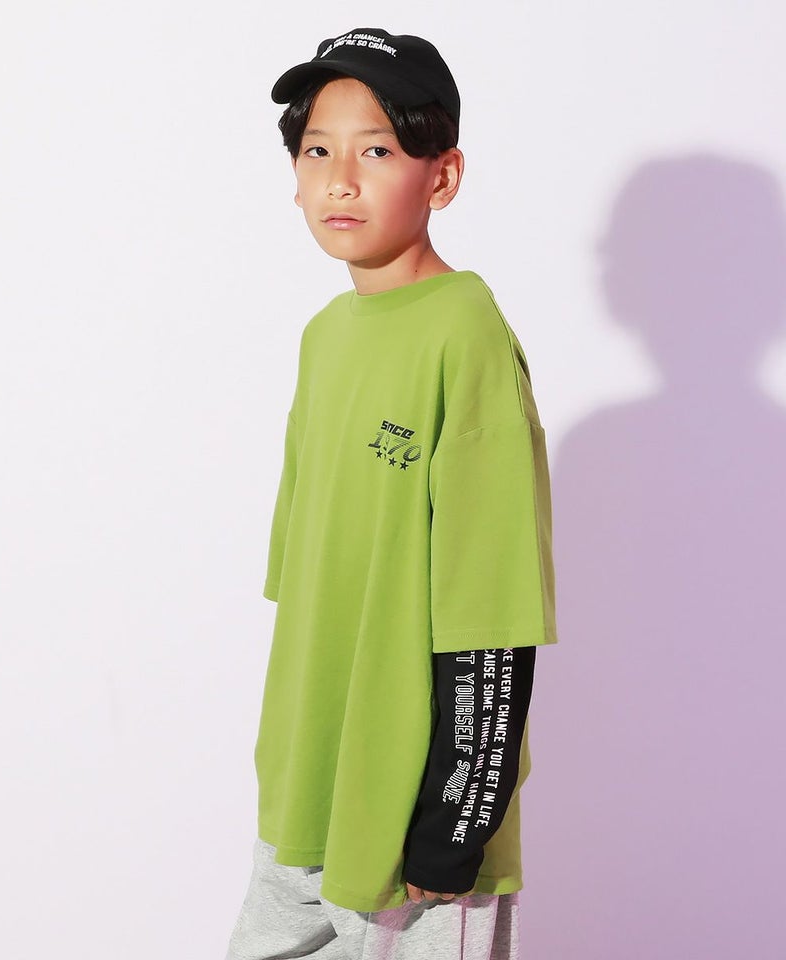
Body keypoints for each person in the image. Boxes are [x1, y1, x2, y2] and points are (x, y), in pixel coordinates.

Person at [224, 26, 558, 960]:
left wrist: (457, 821)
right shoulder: (325, 337)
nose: (341, 180)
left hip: (411, 829)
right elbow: (304, 585)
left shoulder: (465, 333)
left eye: (376, 152)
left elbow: (494, 605)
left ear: (441, 177)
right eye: (316, 151)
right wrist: (284, 768)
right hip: (303, 799)